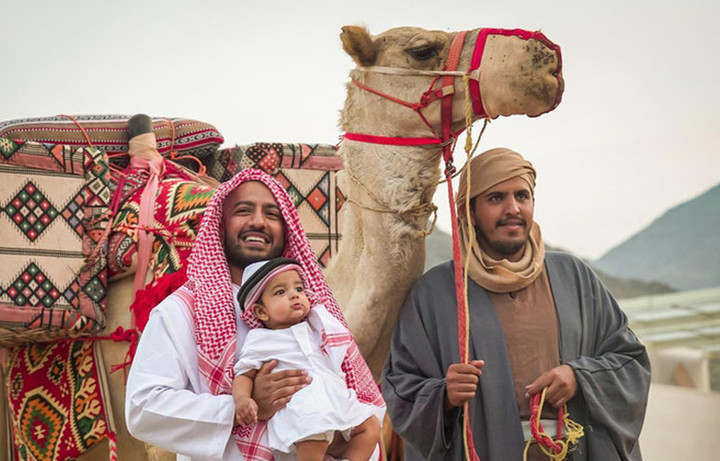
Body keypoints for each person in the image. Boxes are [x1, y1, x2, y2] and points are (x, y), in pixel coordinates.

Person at [381, 148, 651, 461]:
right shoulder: (434, 292)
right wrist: (443, 396)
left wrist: (579, 376)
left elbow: (630, 360)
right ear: (469, 212)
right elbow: (400, 386)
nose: (513, 208)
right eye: (496, 198)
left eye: (522, 196)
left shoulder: (573, 276)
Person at [126, 169, 384, 461]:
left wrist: (335, 433)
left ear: (286, 229)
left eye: (272, 214)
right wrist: (241, 407)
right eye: (244, 210)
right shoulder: (181, 311)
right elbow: (142, 408)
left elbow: (363, 401)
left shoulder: (316, 314)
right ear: (221, 225)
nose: (259, 222)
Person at [232, 258, 382, 461]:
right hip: (304, 411)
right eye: (280, 292)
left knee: (370, 425)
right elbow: (244, 374)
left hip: (335, 401)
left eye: (299, 289)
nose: (294, 294)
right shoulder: (260, 339)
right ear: (261, 311)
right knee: (314, 435)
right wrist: (242, 399)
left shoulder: (318, 327)